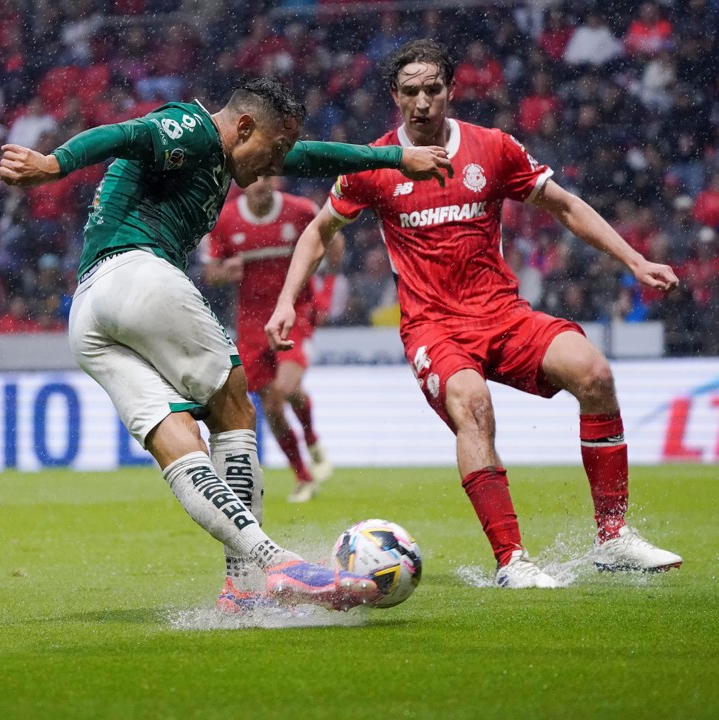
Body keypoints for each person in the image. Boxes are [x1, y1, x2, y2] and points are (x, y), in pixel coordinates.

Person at [0, 77, 452, 612]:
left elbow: (310, 155)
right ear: (242, 126)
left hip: (90, 315)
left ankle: (253, 577)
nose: (274, 166)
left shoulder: (226, 151)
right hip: (139, 274)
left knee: (179, 442)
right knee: (234, 405)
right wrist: (54, 165)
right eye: (273, 149)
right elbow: (124, 134)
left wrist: (398, 158)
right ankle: (249, 581)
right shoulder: (192, 128)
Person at [267, 40, 682, 589]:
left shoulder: (492, 148)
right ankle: (512, 560)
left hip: (503, 314)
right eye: (410, 91)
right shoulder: (377, 163)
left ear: (450, 90)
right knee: (474, 407)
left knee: (595, 374)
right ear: (394, 96)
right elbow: (319, 231)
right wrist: (285, 301)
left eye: (432, 89)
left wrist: (634, 259)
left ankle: (613, 537)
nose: (422, 102)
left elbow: (563, 205)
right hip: (433, 328)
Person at [202, 176, 335, 503]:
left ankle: (312, 438)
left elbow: (333, 241)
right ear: (243, 181)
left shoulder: (300, 211)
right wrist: (225, 272)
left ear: (276, 178)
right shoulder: (225, 220)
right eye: (254, 176)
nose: (261, 182)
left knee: (286, 388)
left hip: (294, 314)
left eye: (267, 175)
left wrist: (327, 291)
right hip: (250, 327)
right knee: (272, 407)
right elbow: (210, 272)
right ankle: (303, 477)